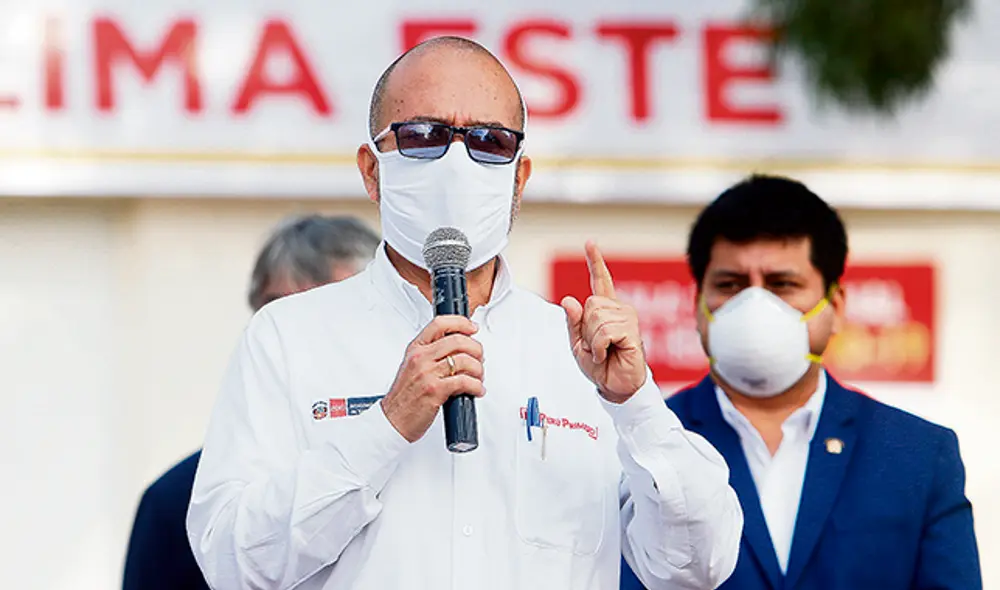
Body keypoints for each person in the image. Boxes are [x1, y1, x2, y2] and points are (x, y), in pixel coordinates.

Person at [186, 36, 743, 590]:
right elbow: (232, 564)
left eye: (489, 141)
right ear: (372, 170)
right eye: (423, 136)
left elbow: (697, 567)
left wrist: (636, 403)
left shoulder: (575, 353)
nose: (456, 162)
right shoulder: (288, 337)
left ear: (519, 177)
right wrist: (384, 427)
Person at [621, 174, 983, 590]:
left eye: (782, 285)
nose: (755, 305)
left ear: (836, 305)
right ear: (698, 305)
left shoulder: (917, 455)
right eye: (730, 285)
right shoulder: (645, 445)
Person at [122, 214, 380, 590]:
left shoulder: (443, 470)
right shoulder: (175, 502)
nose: (300, 338)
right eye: (278, 315)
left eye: (331, 310)